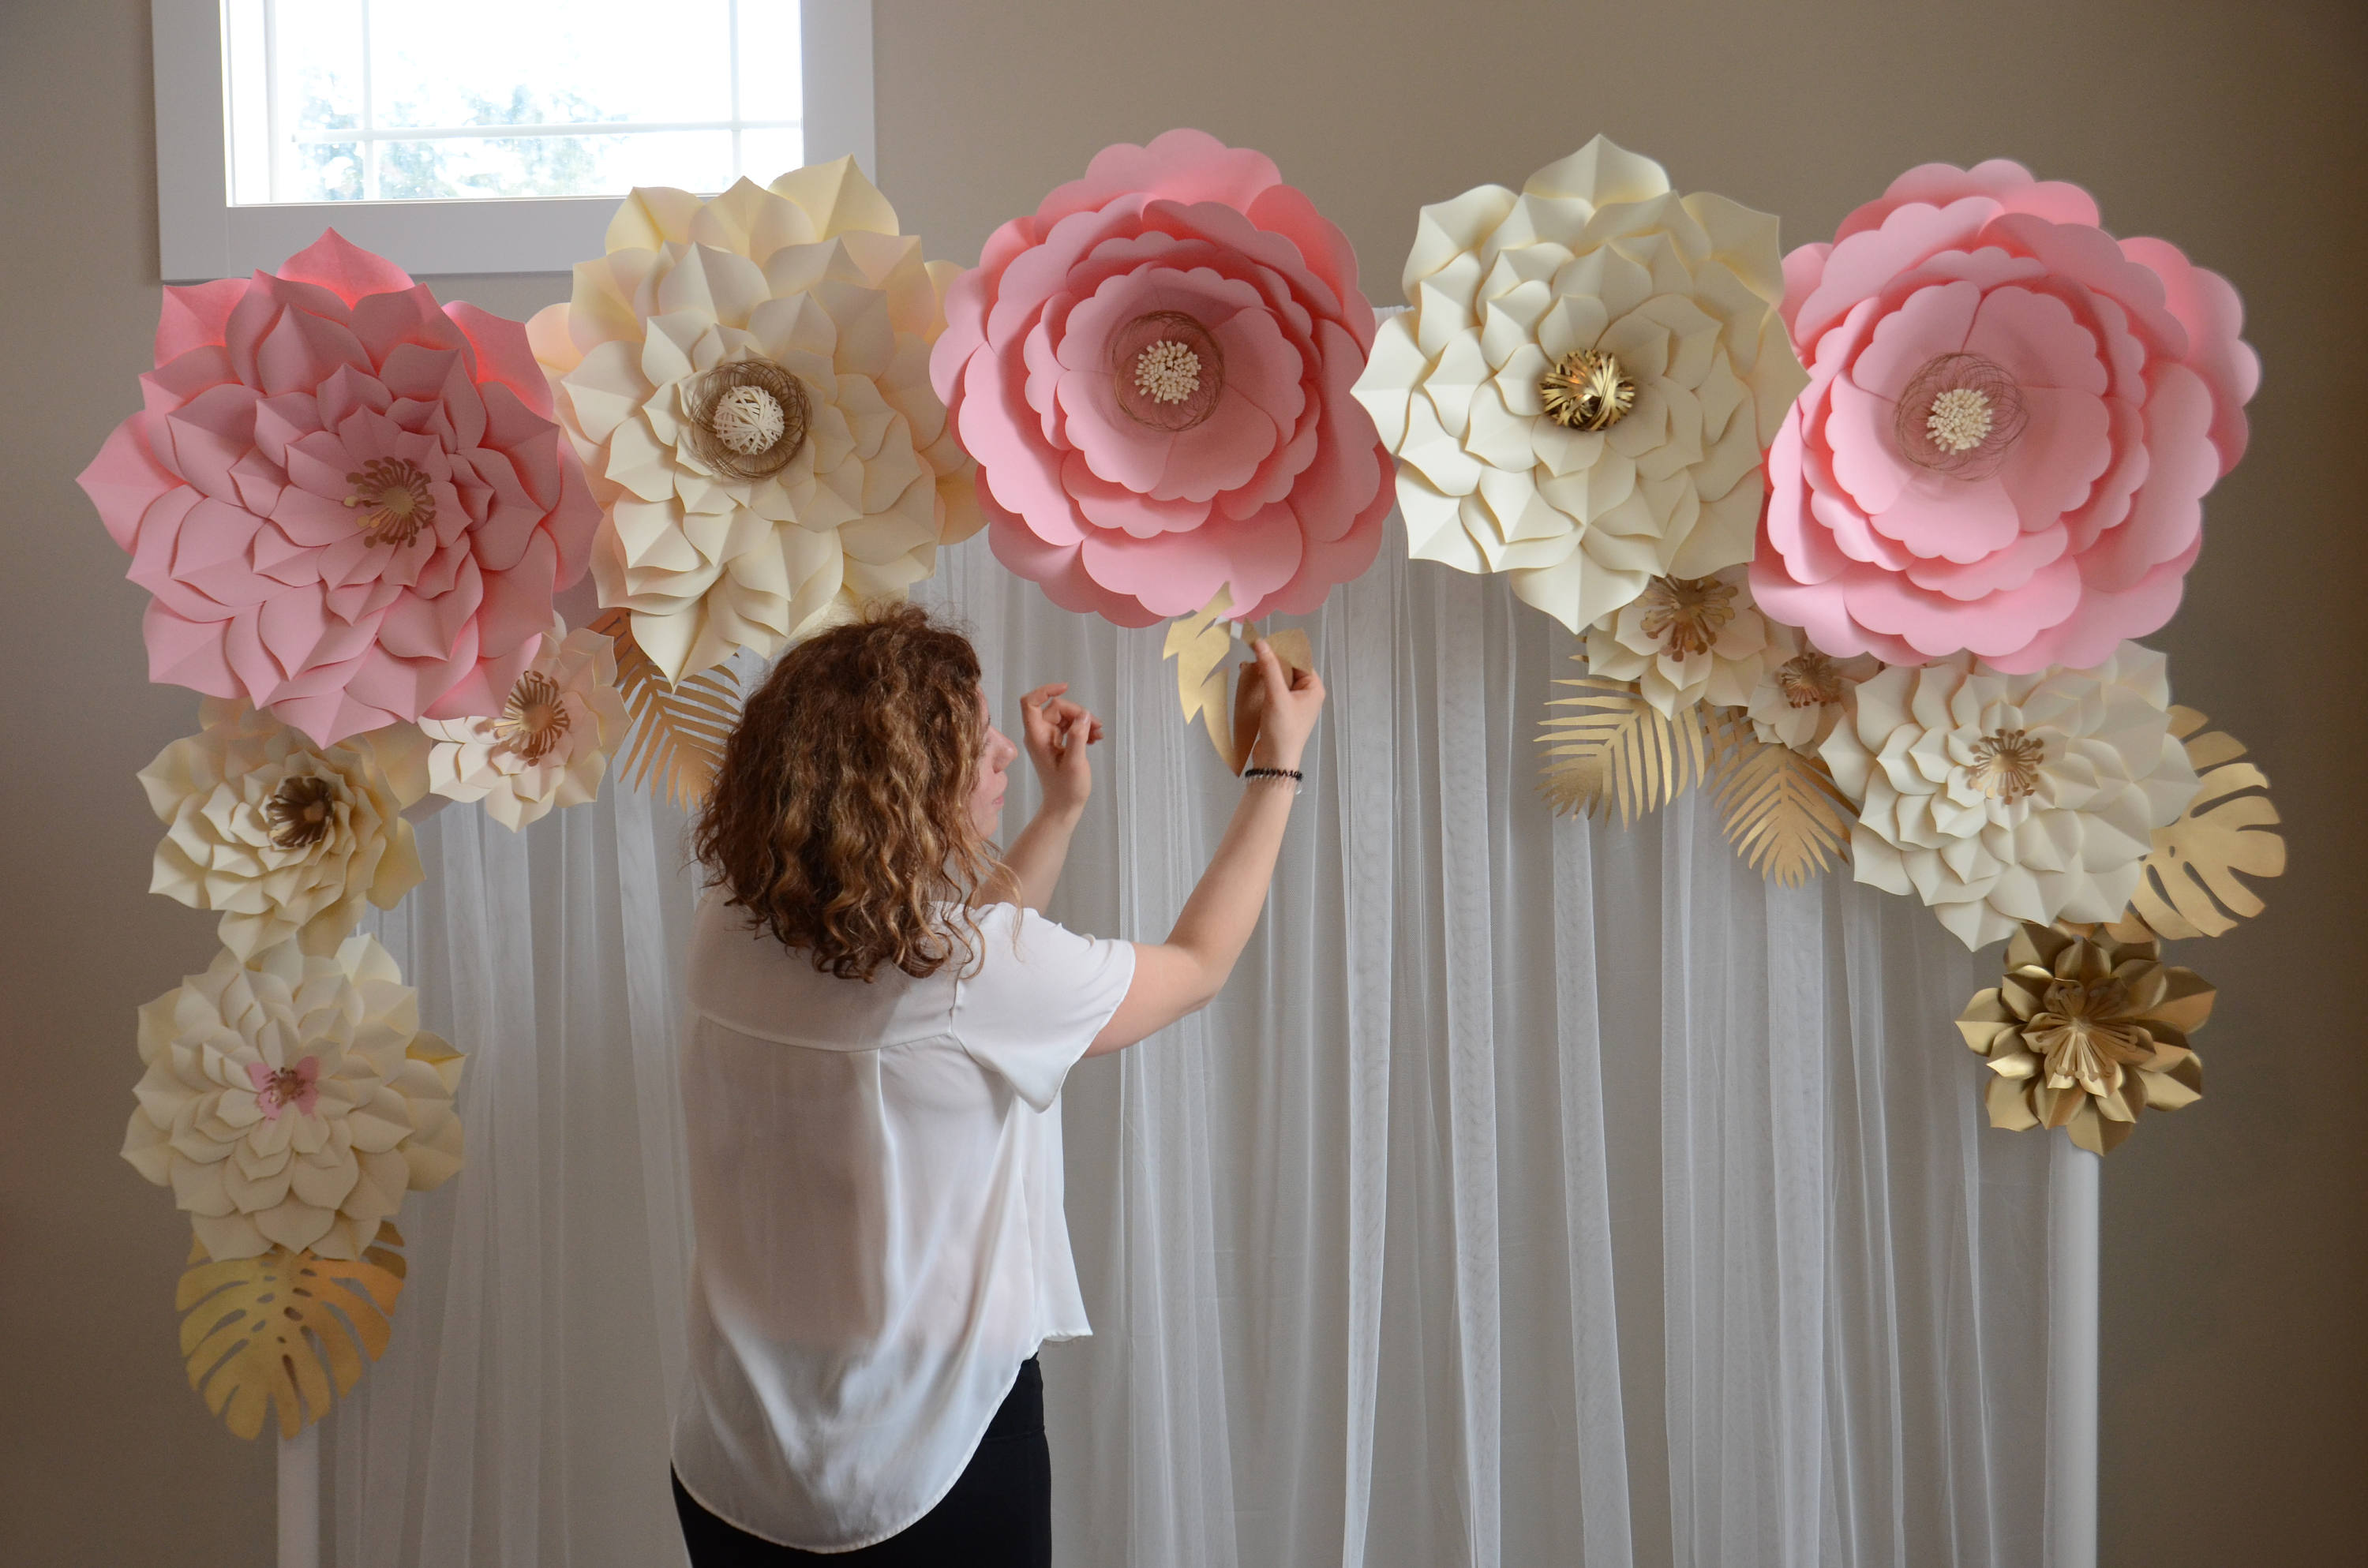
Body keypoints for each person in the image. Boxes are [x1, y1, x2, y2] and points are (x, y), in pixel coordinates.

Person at [668, 604, 1324, 1565]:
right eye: (976, 744)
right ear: (907, 786)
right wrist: (1277, 765)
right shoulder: (973, 973)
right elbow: (1197, 965)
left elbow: (935, 975)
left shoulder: (728, 930)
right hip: (931, 1467)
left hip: (736, 1466)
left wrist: (1057, 813)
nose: (1004, 750)